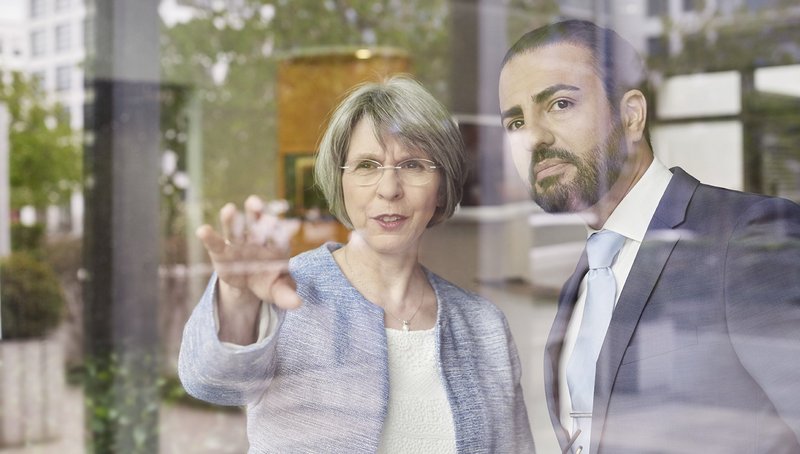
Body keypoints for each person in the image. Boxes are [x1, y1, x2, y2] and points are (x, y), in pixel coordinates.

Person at [179, 75, 535, 453]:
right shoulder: (287, 292)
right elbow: (212, 383)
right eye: (367, 165)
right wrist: (239, 299)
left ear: (442, 187)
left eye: (413, 165)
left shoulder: (483, 325)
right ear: (340, 181)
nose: (389, 189)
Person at [498, 19, 800, 454]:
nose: (535, 137)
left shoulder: (746, 236)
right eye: (515, 122)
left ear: (631, 115)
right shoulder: (585, 277)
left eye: (560, 104)